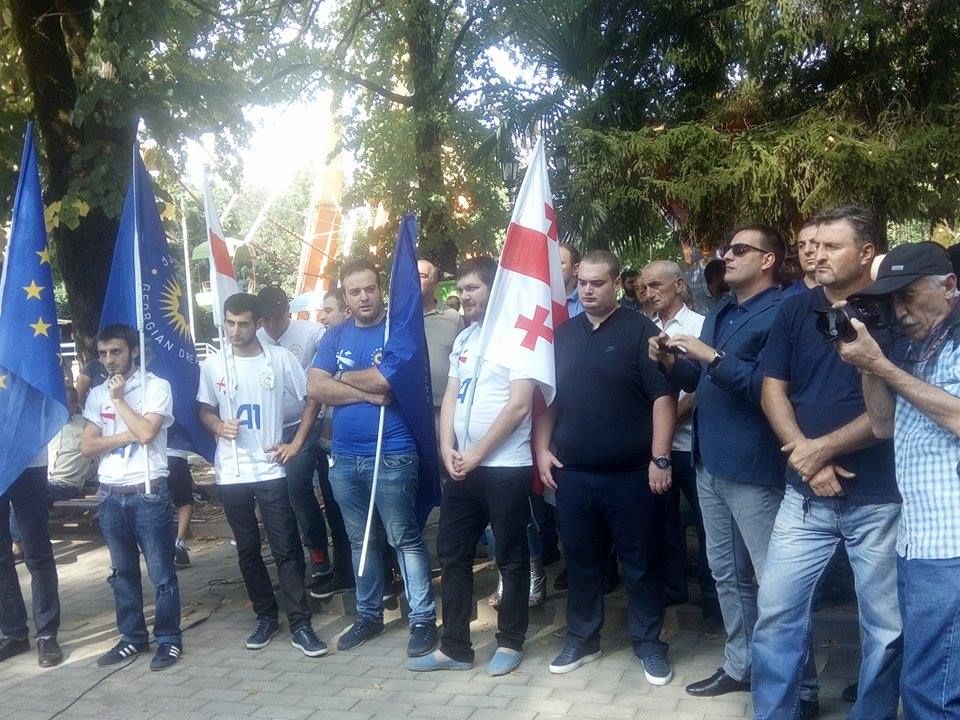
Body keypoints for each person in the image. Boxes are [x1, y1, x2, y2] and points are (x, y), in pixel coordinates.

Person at [752, 205, 902, 720]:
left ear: (866, 253)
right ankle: (777, 713)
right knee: (776, 614)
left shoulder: (893, 309)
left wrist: (824, 448)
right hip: (804, 498)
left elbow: (893, 409)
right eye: (814, 245)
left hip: (879, 498)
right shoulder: (796, 309)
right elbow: (772, 389)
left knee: (885, 627)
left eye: (832, 246)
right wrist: (808, 458)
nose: (817, 254)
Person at [649, 225, 786, 699]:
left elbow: (767, 390)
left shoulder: (782, 310)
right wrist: (671, 360)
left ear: (767, 260)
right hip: (708, 461)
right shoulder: (722, 310)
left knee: (773, 581)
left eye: (740, 249)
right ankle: (740, 665)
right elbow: (697, 379)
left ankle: (792, 682)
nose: (726, 255)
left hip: (753, 467)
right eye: (727, 248)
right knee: (726, 573)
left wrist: (711, 356)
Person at [538, 250, 678, 684]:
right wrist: (541, 448)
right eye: (582, 282)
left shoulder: (641, 331)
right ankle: (583, 639)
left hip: (632, 476)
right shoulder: (563, 335)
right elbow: (548, 399)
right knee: (581, 564)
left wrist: (660, 458)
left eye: (597, 283)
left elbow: (662, 397)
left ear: (616, 285)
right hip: (574, 475)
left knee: (641, 564)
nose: (587, 290)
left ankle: (649, 644)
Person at [835, 242, 960, 719]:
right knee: (927, 677)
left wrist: (883, 366)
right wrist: (868, 366)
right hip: (918, 541)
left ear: (949, 286)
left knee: (933, 690)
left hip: (950, 547)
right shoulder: (914, 347)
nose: (900, 311)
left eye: (908, 295)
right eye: (892, 300)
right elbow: (883, 424)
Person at [409, 256, 536, 676]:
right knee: (453, 553)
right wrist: (447, 448)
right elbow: (451, 396)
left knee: (510, 556)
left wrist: (477, 453)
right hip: (462, 466)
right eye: (460, 289)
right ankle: (455, 647)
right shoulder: (464, 338)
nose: (463, 296)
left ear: (493, 291)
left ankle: (511, 641)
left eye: (472, 288)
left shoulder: (519, 337)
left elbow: (519, 406)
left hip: (505, 467)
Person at [308, 258, 438, 658]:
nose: (363, 297)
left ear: (381, 290)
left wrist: (342, 377)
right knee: (359, 539)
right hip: (344, 458)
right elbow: (316, 387)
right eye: (354, 291)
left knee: (403, 538)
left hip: (393, 453)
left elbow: (388, 380)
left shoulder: (398, 331)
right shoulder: (334, 335)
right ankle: (368, 616)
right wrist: (364, 391)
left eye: (370, 289)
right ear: (345, 298)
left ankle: (422, 619)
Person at [198, 293, 328, 658]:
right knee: (248, 549)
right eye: (229, 323)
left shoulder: (279, 358)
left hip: (270, 467)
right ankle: (265, 616)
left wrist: (296, 443)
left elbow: (312, 397)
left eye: (243, 324)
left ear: (258, 324)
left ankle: (300, 623)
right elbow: (204, 408)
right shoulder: (213, 364)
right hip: (231, 471)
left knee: (286, 546)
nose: (235, 331)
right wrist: (217, 426)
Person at [79, 324, 183, 671]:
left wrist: (120, 400)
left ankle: (168, 638)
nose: (109, 360)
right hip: (110, 493)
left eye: (116, 352)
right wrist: (125, 435)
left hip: (147, 490)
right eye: (103, 353)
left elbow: (147, 432)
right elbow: (87, 446)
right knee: (122, 571)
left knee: (161, 572)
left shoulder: (156, 387)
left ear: (133, 351)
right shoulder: (97, 393)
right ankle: (133, 637)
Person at [641, 260, 717, 620]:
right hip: (657, 448)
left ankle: (712, 596)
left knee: (707, 524)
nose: (649, 293)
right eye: (644, 287)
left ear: (679, 285)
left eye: (656, 285)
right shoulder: (644, 329)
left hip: (690, 444)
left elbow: (703, 388)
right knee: (663, 522)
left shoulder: (701, 326)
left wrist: (668, 423)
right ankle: (673, 589)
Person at [256, 286, 335, 580]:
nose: (271, 325)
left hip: (310, 420)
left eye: (276, 318)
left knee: (297, 485)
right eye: (266, 319)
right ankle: (290, 558)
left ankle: (318, 551)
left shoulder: (311, 332)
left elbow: (333, 351)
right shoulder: (256, 337)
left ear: (287, 311)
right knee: (277, 493)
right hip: (273, 429)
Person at [782, 219, 819, 298]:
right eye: (801, 246)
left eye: (815, 243)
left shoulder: (845, 291)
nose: (807, 250)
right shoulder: (786, 299)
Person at [560, 242, 584, 318]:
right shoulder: (541, 298)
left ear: (575, 269)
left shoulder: (587, 300)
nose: (553, 267)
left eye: (560, 263)